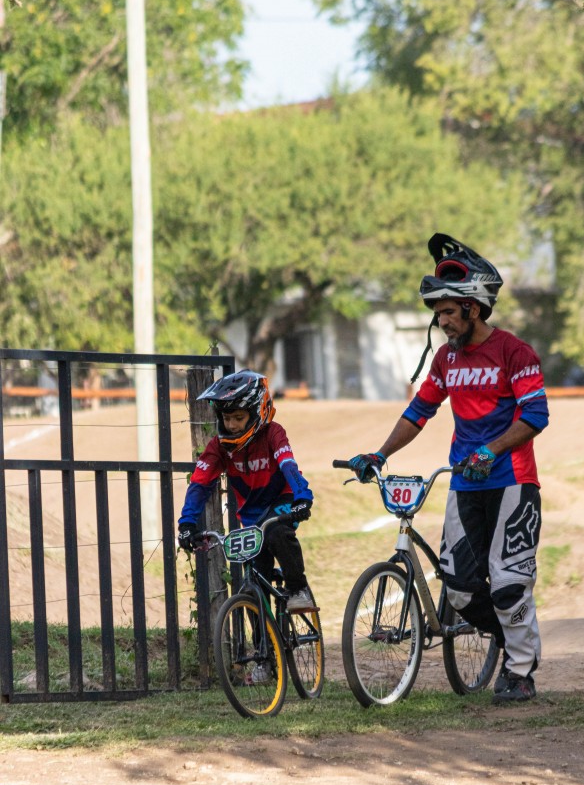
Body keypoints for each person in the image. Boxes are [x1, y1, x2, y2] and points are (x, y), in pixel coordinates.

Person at [348, 233, 549, 704]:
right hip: (464, 483)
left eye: (447, 312)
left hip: (512, 481)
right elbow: (419, 412)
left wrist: (491, 451)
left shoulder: (515, 353)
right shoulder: (445, 359)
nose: (440, 321)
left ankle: (521, 671)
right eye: (437, 313)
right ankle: (504, 636)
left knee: (508, 582)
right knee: (457, 586)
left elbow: (535, 417)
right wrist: (380, 454)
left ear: (474, 309)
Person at [177, 369, 315, 622]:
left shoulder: (273, 433)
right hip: (251, 516)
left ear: (258, 411)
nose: (231, 425)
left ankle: (298, 588)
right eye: (226, 418)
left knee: (277, 534)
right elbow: (199, 484)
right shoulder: (218, 447)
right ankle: (266, 656)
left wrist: (302, 496)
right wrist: (186, 523)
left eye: (239, 418)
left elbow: (288, 465)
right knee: (253, 588)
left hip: (282, 501)